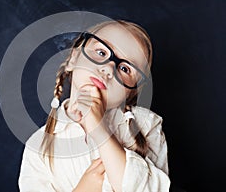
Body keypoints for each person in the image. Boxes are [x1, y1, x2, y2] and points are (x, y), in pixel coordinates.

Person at [18, 20, 170, 192]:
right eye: (101, 52)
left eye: (125, 68)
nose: (108, 68)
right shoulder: (38, 146)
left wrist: (99, 129)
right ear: (73, 58)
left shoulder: (147, 125)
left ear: (130, 93)